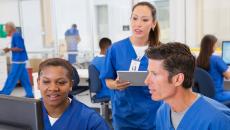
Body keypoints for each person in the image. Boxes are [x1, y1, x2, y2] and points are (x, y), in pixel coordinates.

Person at [100, 2, 162, 130]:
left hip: (153, 115)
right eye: (134, 18)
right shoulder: (115, 49)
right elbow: (107, 81)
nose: (138, 24)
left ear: (153, 23)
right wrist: (116, 84)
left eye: (144, 20)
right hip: (124, 115)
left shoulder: (162, 51)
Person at [145, 42, 230, 130]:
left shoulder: (219, 120)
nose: (146, 81)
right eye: (149, 73)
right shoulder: (162, 113)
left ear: (178, 79)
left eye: (154, 74)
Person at [37, 58, 110, 130]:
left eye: (61, 82)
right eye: (46, 82)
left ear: (71, 85)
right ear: (38, 83)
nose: (53, 88)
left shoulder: (92, 121)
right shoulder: (28, 113)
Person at [0, 22, 33, 98]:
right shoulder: (15, 35)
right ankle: (30, 93)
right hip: (20, 60)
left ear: (10, 28)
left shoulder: (16, 35)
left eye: (6, 28)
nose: (5, 30)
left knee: (12, 76)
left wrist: (9, 49)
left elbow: (20, 48)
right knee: (24, 78)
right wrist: (9, 49)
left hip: (18, 60)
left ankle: (5, 93)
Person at [197, 34, 230, 102]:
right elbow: (228, 76)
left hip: (204, 97)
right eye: (216, 45)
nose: (217, 46)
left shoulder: (197, 60)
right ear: (211, 46)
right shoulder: (216, 59)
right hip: (217, 96)